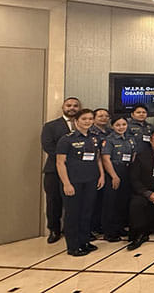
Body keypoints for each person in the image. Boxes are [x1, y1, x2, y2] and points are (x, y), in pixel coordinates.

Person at [56, 109, 104, 256]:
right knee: (73, 214)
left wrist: (101, 175)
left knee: (87, 212)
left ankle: (84, 241)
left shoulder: (95, 138)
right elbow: (60, 163)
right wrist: (66, 183)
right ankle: (73, 246)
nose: (87, 121)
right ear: (76, 121)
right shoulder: (66, 139)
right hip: (73, 182)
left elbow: (98, 158)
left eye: (90, 119)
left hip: (90, 180)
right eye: (84, 119)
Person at [41, 96, 81, 243]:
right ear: (63, 107)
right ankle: (54, 230)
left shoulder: (83, 125)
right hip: (54, 170)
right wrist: (65, 159)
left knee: (75, 202)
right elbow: (48, 146)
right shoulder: (50, 126)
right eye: (69, 105)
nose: (72, 108)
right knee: (54, 201)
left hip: (77, 171)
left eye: (75, 106)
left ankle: (74, 229)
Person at [101, 116, 137, 242]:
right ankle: (109, 232)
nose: (121, 127)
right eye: (118, 125)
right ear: (112, 126)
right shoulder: (109, 140)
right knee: (111, 202)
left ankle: (120, 227)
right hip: (113, 171)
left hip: (127, 171)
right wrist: (114, 176)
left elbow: (134, 154)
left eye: (123, 124)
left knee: (123, 201)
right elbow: (105, 159)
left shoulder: (130, 138)